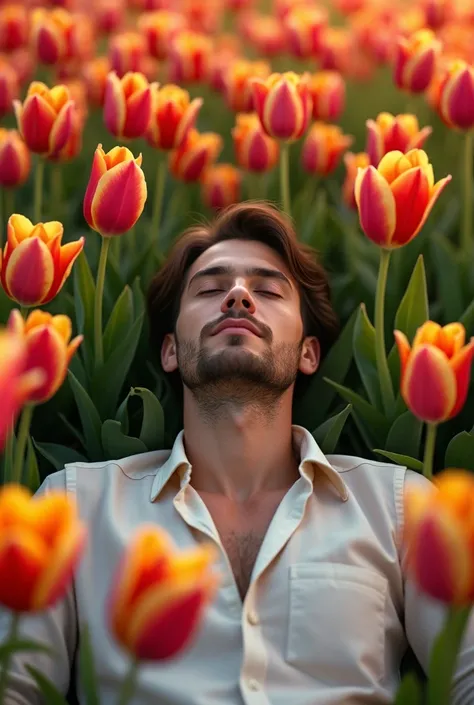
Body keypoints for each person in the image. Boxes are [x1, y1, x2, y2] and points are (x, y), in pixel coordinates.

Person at [0, 202, 473, 704]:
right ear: (170, 351)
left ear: (309, 352)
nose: (239, 297)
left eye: (268, 290)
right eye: (209, 288)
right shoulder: (76, 506)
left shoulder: (400, 505)